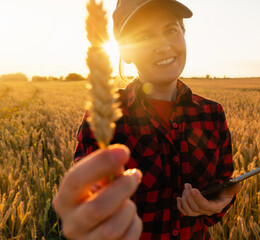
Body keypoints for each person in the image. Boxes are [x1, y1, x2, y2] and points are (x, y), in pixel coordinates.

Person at [53, 0, 241, 239]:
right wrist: (81, 214)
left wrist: (218, 204)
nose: (162, 46)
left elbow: (223, 183)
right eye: (143, 37)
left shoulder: (212, 114)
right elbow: (88, 202)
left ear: (184, 35)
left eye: (171, 30)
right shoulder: (106, 118)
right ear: (125, 51)